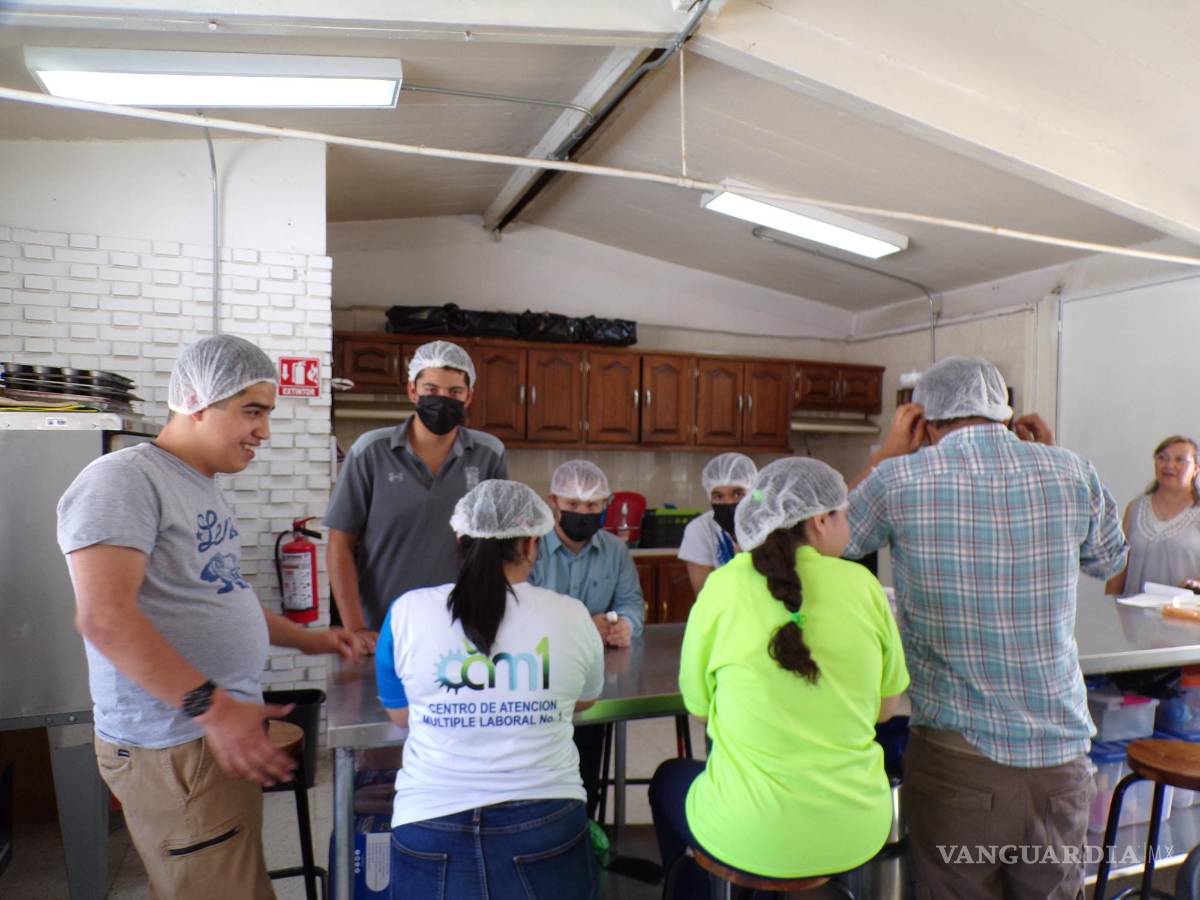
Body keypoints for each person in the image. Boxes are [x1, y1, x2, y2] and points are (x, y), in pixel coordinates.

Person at [56, 334, 360, 900]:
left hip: (206, 735)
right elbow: (106, 619)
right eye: (253, 411)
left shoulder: (199, 486)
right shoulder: (122, 479)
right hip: (178, 742)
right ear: (197, 400)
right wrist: (215, 709)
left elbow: (221, 595)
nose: (264, 432)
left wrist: (314, 641)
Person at [845, 356, 1128, 899]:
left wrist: (885, 454)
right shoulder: (1071, 470)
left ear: (923, 421)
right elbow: (1108, 558)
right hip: (1060, 761)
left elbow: (816, 540)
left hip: (958, 761)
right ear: (1006, 413)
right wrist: (1052, 458)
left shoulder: (898, 478)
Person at [650, 458, 909, 897]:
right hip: (854, 829)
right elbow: (885, 711)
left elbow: (699, 710)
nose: (849, 526)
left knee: (668, 779)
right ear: (821, 520)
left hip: (743, 832)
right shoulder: (864, 586)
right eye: (846, 514)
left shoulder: (722, 587)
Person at [375, 479, 605, 900]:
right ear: (532, 545)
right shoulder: (573, 615)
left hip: (429, 823)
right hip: (545, 822)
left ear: (459, 539)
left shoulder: (406, 611)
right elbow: (584, 700)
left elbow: (401, 715)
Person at [325, 339, 507, 648]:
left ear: (469, 397)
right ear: (412, 391)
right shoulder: (370, 452)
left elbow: (500, 546)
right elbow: (339, 543)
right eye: (431, 389)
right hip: (385, 630)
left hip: (463, 628)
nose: (442, 400)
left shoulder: (490, 454)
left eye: (454, 392)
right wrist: (355, 627)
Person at [529, 459, 644, 816]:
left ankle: (589, 825)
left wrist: (625, 624)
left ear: (605, 504)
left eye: (592, 505)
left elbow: (631, 603)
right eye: (573, 504)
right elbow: (517, 613)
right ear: (553, 502)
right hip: (536, 680)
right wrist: (580, 626)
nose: (582, 513)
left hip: (596, 680)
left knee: (588, 765)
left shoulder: (615, 551)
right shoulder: (529, 548)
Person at [1105, 435, 1200, 596]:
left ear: (1196, 469)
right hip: (1134, 609)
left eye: (1179, 460)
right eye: (1162, 458)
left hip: (1184, 609)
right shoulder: (1135, 508)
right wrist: (1108, 602)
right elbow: (1119, 566)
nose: (1169, 465)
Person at [678, 452, 757, 594]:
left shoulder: (769, 527)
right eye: (718, 496)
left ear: (752, 493)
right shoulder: (700, 530)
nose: (728, 502)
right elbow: (705, 596)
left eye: (738, 494)